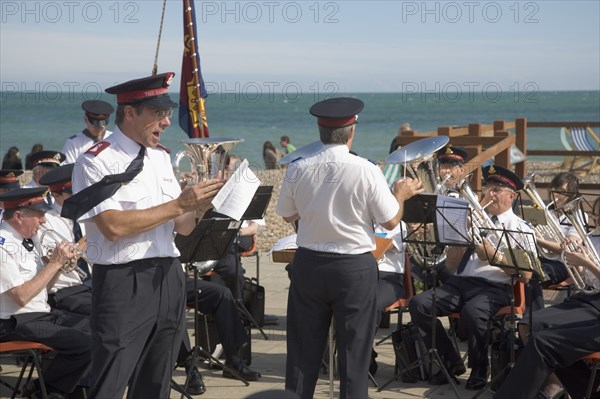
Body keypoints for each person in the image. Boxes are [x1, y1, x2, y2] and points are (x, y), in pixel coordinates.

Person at [65, 72, 224, 399]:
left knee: (156, 383)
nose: (166, 122)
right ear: (129, 113)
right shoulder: (96, 161)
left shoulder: (161, 157)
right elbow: (114, 227)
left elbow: (183, 227)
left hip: (168, 276)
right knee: (110, 380)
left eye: (167, 113)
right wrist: (180, 202)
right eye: (157, 113)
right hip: (124, 281)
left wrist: (200, 205)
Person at [276, 97, 423, 399]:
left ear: (320, 130)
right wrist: (401, 194)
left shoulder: (298, 168)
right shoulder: (367, 169)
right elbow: (391, 220)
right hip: (353, 268)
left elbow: (288, 214)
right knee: (354, 360)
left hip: (310, 264)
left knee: (302, 356)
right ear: (351, 131)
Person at [408, 164, 536, 390]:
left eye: (497, 189)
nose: (490, 194)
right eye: (488, 188)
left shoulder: (520, 228)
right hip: (461, 282)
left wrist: (493, 256)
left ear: (511, 196)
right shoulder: (474, 221)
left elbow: (525, 276)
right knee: (419, 304)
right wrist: (461, 233)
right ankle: (451, 360)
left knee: (472, 312)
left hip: (495, 287)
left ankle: (479, 369)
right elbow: (451, 264)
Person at [493, 197, 600, 399]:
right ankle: (583, 388)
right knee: (531, 327)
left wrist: (587, 263)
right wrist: (575, 259)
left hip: (595, 308)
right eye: (594, 214)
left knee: (542, 342)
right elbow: (582, 280)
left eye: (598, 214)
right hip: (587, 299)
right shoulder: (593, 237)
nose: (595, 218)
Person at [0, 187, 91, 399]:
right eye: (39, 215)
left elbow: (42, 290)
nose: (43, 221)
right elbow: (21, 297)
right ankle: (47, 390)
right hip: (14, 322)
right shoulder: (3, 245)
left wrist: (60, 265)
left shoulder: (28, 243)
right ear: (19, 216)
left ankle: (60, 389)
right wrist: (54, 264)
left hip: (39, 314)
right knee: (86, 344)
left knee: (97, 326)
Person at [36, 163, 92, 314]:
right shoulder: (45, 222)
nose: (80, 196)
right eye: (73, 192)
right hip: (66, 291)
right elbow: (62, 262)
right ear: (55, 195)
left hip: (95, 284)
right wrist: (85, 242)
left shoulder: (90, 215)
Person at [62, 100, 115, 164]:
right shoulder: (73, 143)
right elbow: (68, 169)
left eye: (103, 124)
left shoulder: (114, 138)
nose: (99, 128)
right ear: (85, 119)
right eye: (95, 124)